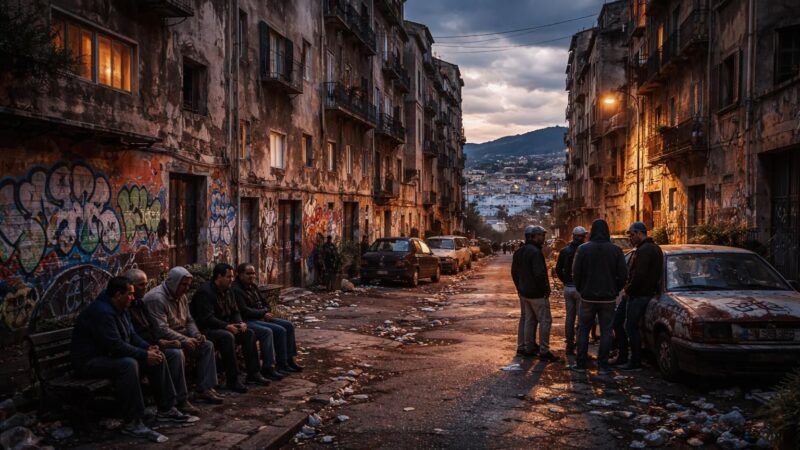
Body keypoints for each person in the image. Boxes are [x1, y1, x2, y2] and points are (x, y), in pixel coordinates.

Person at [72, 277, 197, 443]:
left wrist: (149, 348)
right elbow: (115, 346)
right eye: (130, 294)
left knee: (159, 356)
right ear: (118, 294)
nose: (133, 297)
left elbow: (132, 336)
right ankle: (133, 421)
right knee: (128, 365)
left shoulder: (121, 307)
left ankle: (166, 409)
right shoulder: (102, 313)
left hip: (109, 357)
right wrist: (144, 355)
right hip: (90, 362)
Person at [144, 267, 224, 405]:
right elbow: (161, 329)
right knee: (176, 354)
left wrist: (196, 334)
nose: (186, 288)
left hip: (181, 335)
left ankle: (204, 388)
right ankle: (180, 398)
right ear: (173, 282)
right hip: (163, 340)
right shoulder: (156, 298)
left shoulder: (181, 296)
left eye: (188, 285)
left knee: (206, 345)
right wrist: (186, 340)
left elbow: (189, 320)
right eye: (183, 284)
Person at [124, 269, 199, 415]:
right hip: (134, 351)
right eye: (140, 285)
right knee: (172, 355)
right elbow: (128, 338)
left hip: (151, 344)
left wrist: (195, 335)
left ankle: (202, 390)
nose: (145, 289)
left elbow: (145, 331)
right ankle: (174, 403)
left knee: (204, 345)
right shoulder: (150, 300)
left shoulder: (138, 303)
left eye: (146, 284)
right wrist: (152, 348)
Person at [191, 263, 269, 392]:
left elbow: (235, 311)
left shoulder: (228, 290)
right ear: (219, 277)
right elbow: (207, 319)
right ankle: (233, 380)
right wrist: (226, 326)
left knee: (248, 333)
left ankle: (253, 374)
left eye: (232, 277)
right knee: (227, 337)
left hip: (225, 326)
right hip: (207, 329)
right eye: (228, 277)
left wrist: (239, 323)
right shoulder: (205, 292)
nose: (231, 279)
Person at [571, 219, 628, 374]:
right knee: (606, 331)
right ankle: (603, 365)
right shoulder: (616, 250)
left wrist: (582, 289)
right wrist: (615, 289)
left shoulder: (583, 249)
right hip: (608, 298)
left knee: (583, 329)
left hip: (588, 297)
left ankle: (581, 363)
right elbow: (623, 275)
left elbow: (576, 274)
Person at [232, 263, 303, 380]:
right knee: (271, 331)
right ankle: (268, 367)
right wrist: (262, 313)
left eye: (253, 273)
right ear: (240, 275)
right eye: (248, 274)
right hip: (249, 320)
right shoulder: (236, 289)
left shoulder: (253, 287)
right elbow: (244, 311)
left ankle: (287, 361)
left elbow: (266, 303)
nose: (251, 276)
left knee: (288, 325)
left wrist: (265, 312)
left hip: (261, 316)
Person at [611, 222, 664, 371]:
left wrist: (628, 290)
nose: (630, 238)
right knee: (619, 323)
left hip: (638, 295)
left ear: (640, 233)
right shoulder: (652, 248)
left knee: (630, 326)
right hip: (639, 293)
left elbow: (639, 275)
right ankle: (623, 356)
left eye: (632, 235)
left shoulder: (645, 250)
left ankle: (634, 361)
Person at [511, 225, 561, 362]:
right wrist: (545, 290)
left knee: (528, 320)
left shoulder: (519, 252)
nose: (543, 238)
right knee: (545, 321)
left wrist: (519, 288)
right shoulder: (535, 253)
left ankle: (528, 348)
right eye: (540, 235)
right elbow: (539, 274)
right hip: (537, 294)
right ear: (532, 237)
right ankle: (544, 351)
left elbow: (514, 273)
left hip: (524, 293)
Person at [555, 226, 587, 355]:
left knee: (570, 317)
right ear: (582, 237)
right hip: (580, 289)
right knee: (581, 318)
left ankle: (569, 344)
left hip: (568, 288)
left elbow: (558, 269)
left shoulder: (564, 251)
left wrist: (565, 281)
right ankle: (580, 345)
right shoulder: (585, 250)